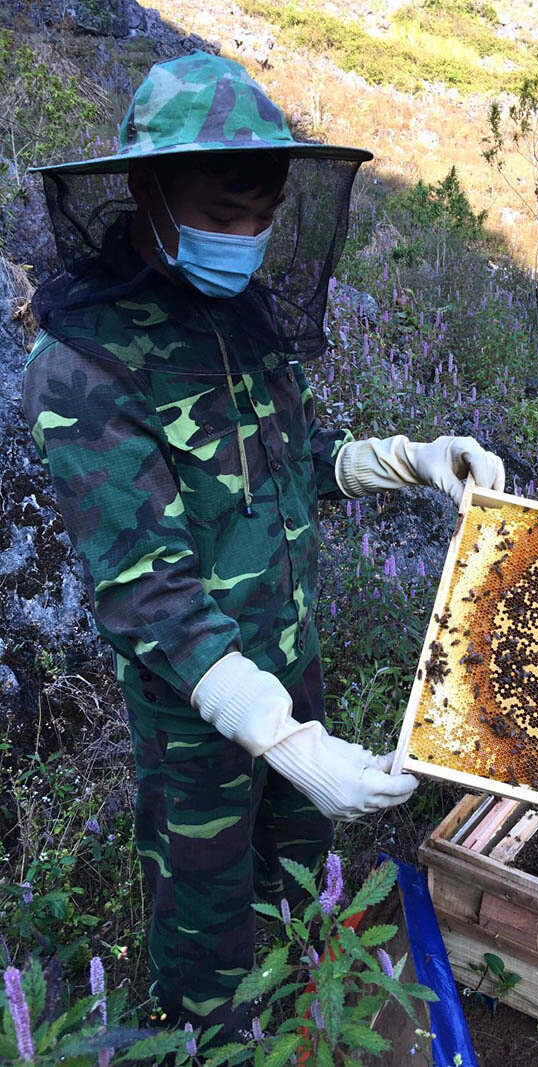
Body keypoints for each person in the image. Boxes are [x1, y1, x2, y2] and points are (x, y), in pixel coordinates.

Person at [21, 51, 505, 1040]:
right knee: (205, 951)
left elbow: (286, 458)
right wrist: (279, 736)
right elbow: (144, 591)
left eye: (263, 213)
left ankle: (295, 1025)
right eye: (223, 213)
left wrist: (407, 458)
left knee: (296, 894)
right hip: (198, 716)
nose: (247, 237)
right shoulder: (82, 362)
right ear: (149, 190)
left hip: (294, 669)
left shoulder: (241, 314)